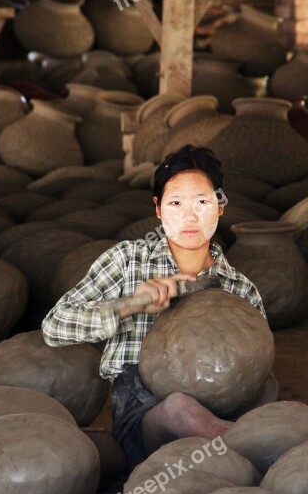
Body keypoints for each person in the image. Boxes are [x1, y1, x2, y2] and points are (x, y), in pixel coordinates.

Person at [41, 145, 266, 471]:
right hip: (144, 411)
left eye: (201, 202)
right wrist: (127, 306)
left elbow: (259, 370)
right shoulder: (128, 260)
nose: (189, 217)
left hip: (222, 404)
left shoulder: (240, 289)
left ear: (220, 206)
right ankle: (252, 450)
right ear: (158, 210)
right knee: (179, 409)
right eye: (176, 203)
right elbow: (54, 326)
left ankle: (238, 448)